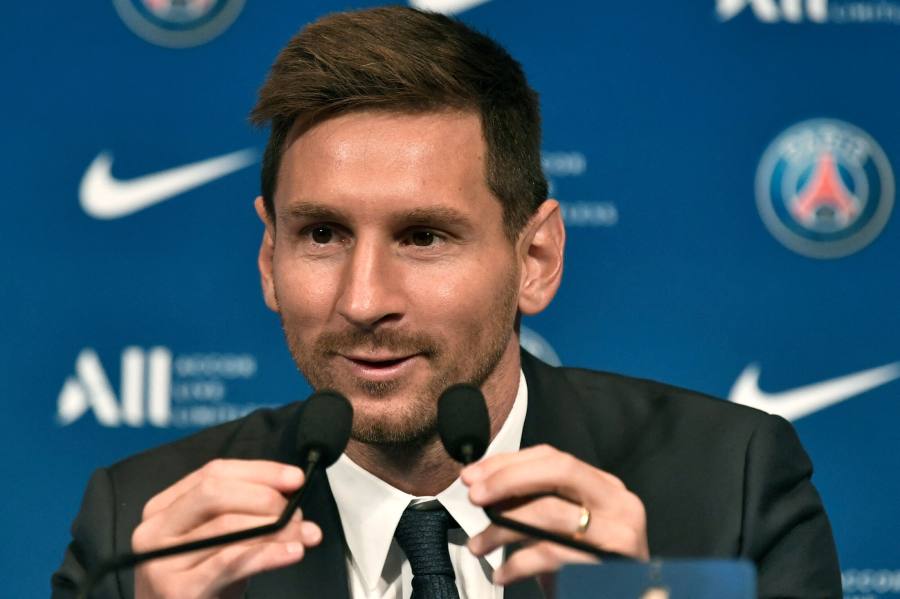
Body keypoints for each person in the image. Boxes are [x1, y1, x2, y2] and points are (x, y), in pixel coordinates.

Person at [52, 6, 841, 599]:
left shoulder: (729, 490)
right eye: (322, 234)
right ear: (268, 258)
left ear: (535, 259)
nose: (364, 299)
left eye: (424, 236)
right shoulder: (142, 536)